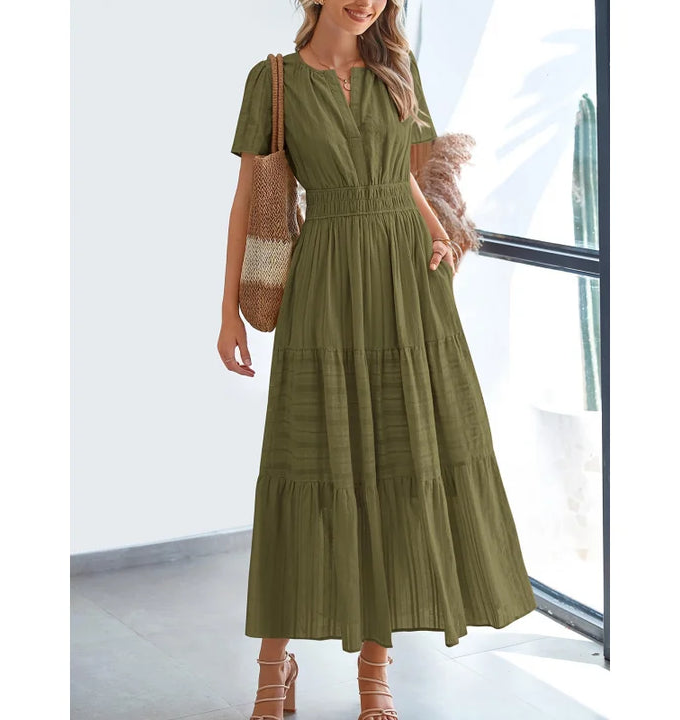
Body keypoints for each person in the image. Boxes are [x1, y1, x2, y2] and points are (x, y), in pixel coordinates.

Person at [217, 2, 537, 719]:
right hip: (326, 279)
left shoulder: (398, 69)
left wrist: (437, 233)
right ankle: (273, 664)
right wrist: (228, 310)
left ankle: (374, 674)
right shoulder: (273, 81)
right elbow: (247, 202)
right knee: (306, 457)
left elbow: (407, 179)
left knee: (396, 456)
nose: (366, 1)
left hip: (408, 278)